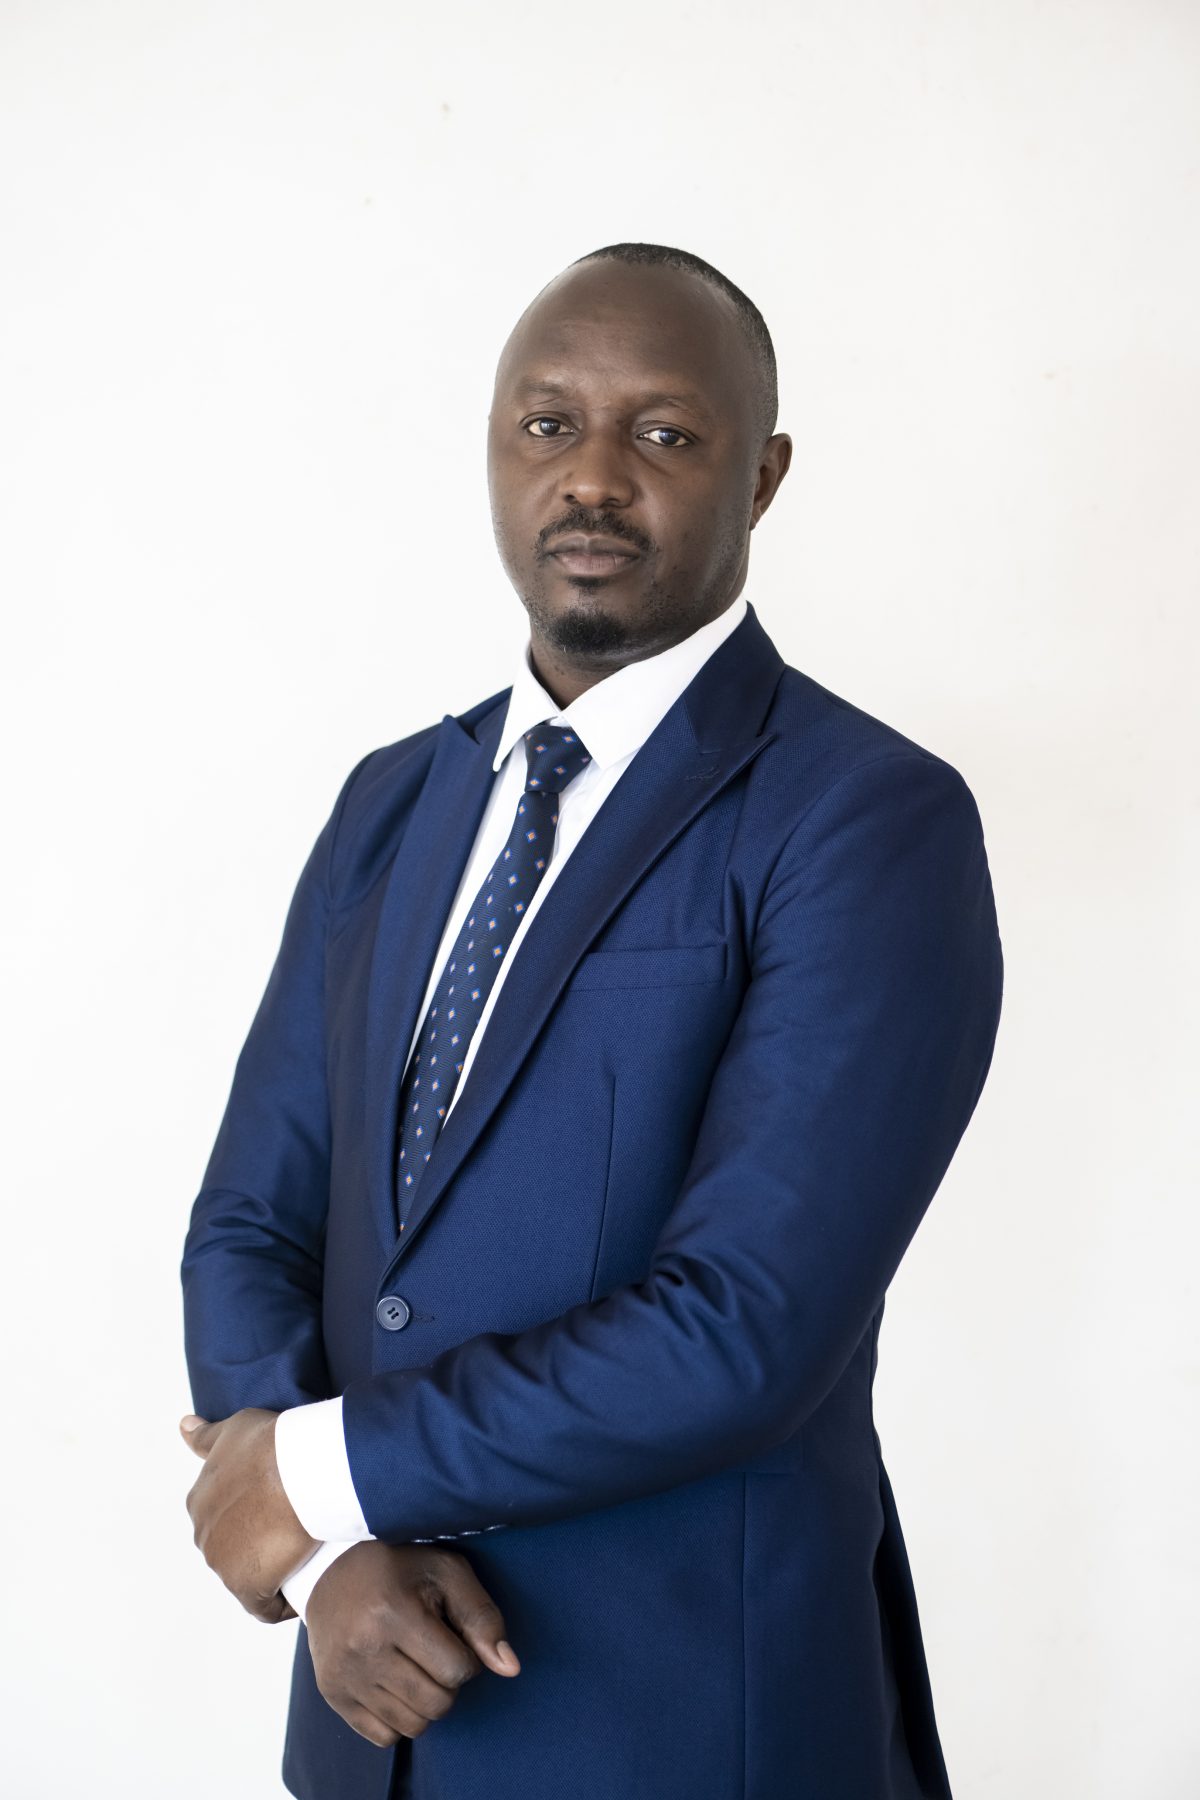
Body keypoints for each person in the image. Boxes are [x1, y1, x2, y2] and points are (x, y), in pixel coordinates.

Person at [180, 241, 1004, 1800]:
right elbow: (251, 1219)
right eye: (549, 424)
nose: (595, 478)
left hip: (686, 1732)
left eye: (666, 433)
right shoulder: (389, 805)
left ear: (762, 478)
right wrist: (328, 1559)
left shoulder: (865, 821)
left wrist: (318, 1472)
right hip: (374, 1724)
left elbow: (745, 1325)